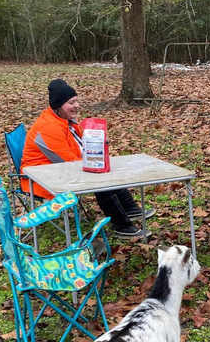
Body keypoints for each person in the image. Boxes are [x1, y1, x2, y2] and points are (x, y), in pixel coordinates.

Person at [21, 79, 154, 238]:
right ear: (58, 105)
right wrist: (94, 162)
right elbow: (68, 162)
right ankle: (122, 225)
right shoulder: (50, 127)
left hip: (55, 169)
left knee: (103, 168)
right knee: (97, 177)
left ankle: (130, 209)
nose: (77, 105)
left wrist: (97, 149)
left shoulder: (64, 120)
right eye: (71, 102)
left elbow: (80, 148)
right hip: (41, 177)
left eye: (77, 101)